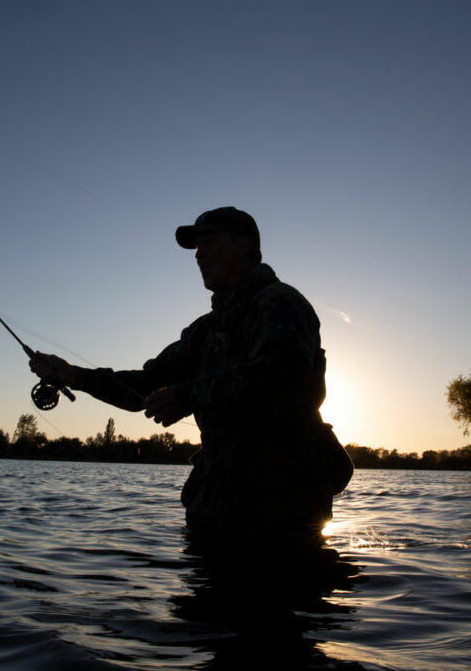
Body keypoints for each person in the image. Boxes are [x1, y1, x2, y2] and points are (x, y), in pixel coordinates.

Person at [29, 207, 352, 551]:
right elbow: (143, 387)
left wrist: (190, 395)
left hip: (281, 505)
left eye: (208, 242)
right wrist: (74, 375)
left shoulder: (282, 302)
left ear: (243, 245)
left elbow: (279, 374)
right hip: (215, 504)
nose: (198, 255)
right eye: (196, 247)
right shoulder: (203, 330)